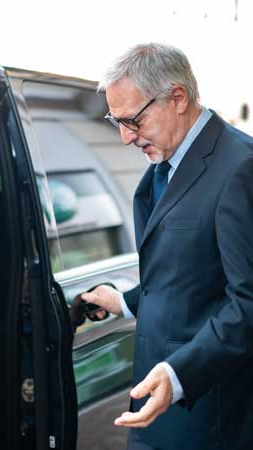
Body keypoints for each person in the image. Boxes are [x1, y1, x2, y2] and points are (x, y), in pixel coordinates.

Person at [83, 43, 253, 450]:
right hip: (153, 415)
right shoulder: (166, 162)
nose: (125, 137)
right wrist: (125, 301)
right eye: (115, 121)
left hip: (206, 418)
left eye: (132, 121)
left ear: (177, 98)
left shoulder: (240, 166)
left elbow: (247, 303)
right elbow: (188, 275)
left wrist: (178, 375)